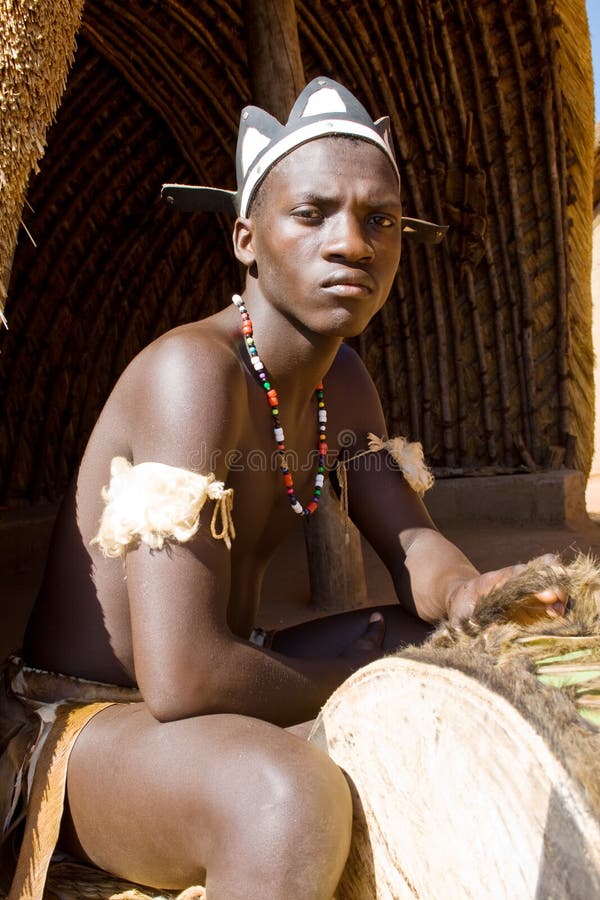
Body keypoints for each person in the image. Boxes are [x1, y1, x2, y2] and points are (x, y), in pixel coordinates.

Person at [3, 77, 567, 900]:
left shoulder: (345, 383)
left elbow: (411, 544)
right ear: (246, 238)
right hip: (89, 721)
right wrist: (371, 686)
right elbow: (185, 678)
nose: (353, 244)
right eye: (313, 214)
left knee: (455, 644)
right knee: (288, 796)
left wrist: (469, 595)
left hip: (222, 675)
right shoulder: (191, 375)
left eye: (379, 220)